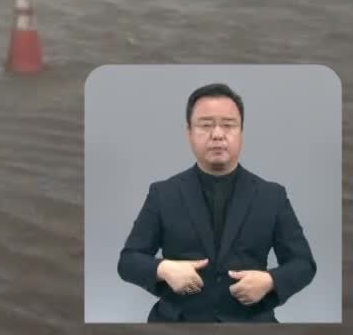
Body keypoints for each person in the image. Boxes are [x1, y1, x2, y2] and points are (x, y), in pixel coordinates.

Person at [116, 83, 316, 322]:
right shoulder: (163, 193)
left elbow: (303, 263)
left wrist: (270, 281)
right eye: (206, 125)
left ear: (242, 132)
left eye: (229, 125)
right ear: (188, 132)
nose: (218, 134)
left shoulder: (272, 196)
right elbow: (128, 261)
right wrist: (163, 269)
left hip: (252, 328)